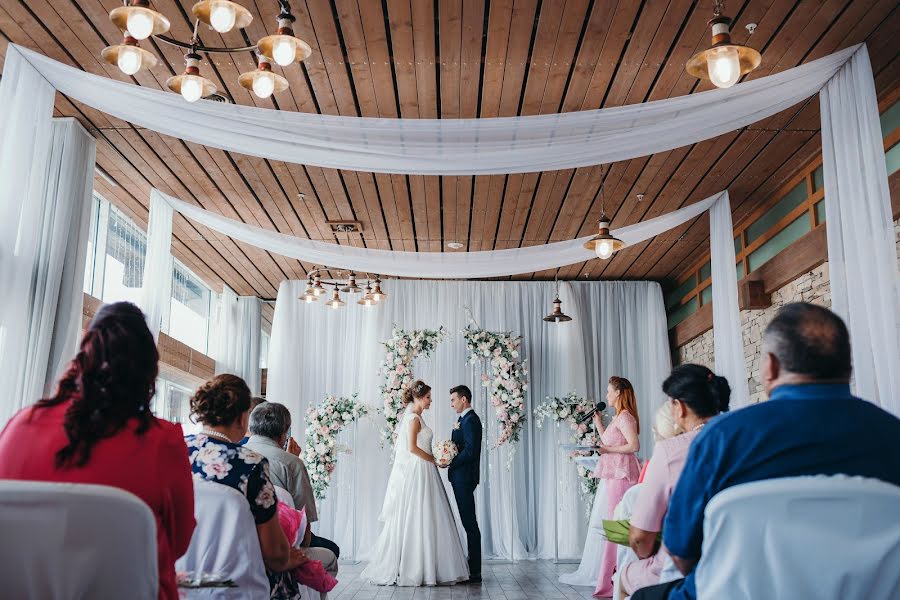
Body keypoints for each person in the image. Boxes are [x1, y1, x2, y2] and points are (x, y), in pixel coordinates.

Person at [632, 302, 900, 600]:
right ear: (847, 366)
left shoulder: (722, 438)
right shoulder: (893, 434)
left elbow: (682, 553)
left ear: (771, 366)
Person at [0, 302, 195, 600]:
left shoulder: (19, 424)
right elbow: (178, 543)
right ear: (147, 368)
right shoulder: (163, 441)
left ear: (82, 357)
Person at [185, 374, 307, 598]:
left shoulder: (175, 451)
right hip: (232, 583)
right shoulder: (250, 463)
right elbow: (275, 555)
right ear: (243, 418)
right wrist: (290, 557)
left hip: (180, 577)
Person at [620, 365, 729, 596]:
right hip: (738, 561)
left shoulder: (669, 450)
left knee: (624, 574)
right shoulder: (743, 438)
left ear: (679, 407)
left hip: (684, 570)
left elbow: (640, 539)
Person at [361, 380, 470, 586]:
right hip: (419, 469)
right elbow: (411, 448)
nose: (431, 401)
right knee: (418, 513)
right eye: (428, 397)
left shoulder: (419, 417)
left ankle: (433, 565)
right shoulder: (413, 419)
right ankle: (415, 567)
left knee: (430, 514)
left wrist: (437, 457)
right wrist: (434, 459)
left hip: (427, 469)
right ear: (419, 398)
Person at [244, 401, 341, 561]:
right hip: (280, 546)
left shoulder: (236, 455)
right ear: (285, 431)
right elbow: (304, 523)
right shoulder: (291, 463)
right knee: (331, 553)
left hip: (242, 542)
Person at [593, 376, 641, 598]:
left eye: (609, 391)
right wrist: (599, 424)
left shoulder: (626, 418)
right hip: (614, 475)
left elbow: (634, 445)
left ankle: (616, 580)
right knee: (614, 525)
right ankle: (611, 580)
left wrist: (608, 451)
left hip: (623, 476)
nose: (606, 395)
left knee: (618, 525)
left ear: (619, 393)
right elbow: (609, 443)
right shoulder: (617, 418)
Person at [445, 384, 483, 583]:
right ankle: (472, 565)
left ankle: (475, 570)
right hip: (460, 477)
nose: (451, 404)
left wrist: (450, 460)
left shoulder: (471, 420)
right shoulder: (463, 419)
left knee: (470, 524)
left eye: (453, 400)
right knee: (468, 522)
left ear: (464, 399)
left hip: (464, 478)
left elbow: (470, 451)